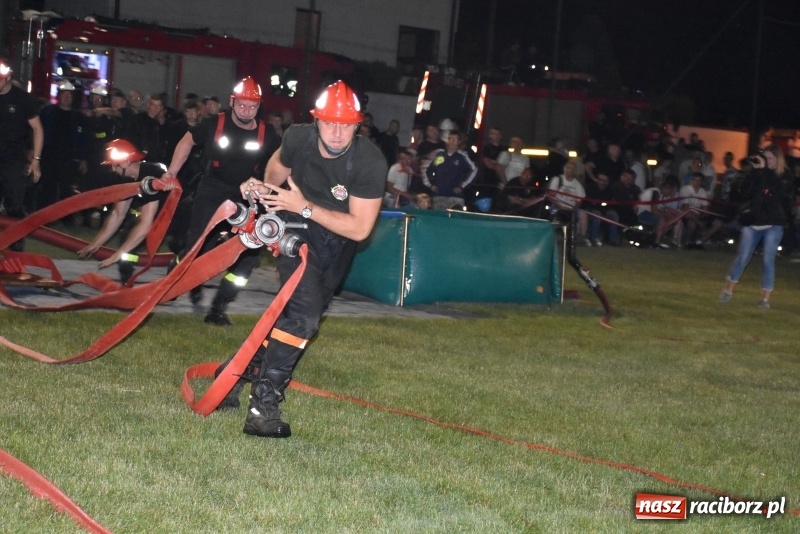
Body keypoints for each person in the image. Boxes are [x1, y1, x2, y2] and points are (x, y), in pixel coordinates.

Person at [229, 80, 387, 438]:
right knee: (304, 316)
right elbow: (276, 166)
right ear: (316, 121)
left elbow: (360, 229)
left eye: (345, 124)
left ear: (357, 125)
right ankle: (262, 407)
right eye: (330, 122)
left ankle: (232, 377)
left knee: (292, 317)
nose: (336, 131)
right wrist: (268, 189)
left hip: (339, 239)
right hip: (295, 230)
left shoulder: (369, 161)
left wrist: (302, 204)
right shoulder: (299, 138)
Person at [165, 77, 280, 326]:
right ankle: (174, 279)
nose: (246, 111)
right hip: (213, 189)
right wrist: (171, 173)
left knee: (249, 253)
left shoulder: (266, 132)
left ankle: (218, 308)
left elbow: (282, 162)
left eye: (252, 106)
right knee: (198, 245)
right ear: (232, 102)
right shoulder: (214, 124)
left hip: (249, 196)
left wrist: (271, 191)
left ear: (259, 107)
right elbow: (186, 142)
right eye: (241, 105)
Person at [76, 139, 174, 283]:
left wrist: (116, 255)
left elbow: (146, 224)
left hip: (178, 218)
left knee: (181, 247)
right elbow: (117, 214)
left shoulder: (150, 175)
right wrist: (95, 244)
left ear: (127, 162)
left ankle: (176, 280)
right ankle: (126, 283)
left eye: (115, 166)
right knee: (127, 239)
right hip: (157, 219)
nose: (114, 170)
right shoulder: (125, 179)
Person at [720, 145, 793, 308]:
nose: (768, 162)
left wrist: (764, 172)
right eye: (765, 158)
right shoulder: (757, 173)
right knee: (743, 257)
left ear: (778, 159)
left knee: (768, 260)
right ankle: (728, 291)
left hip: (774, 223)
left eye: (771, 159)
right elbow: (745, 192)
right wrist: (755, 172)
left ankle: (765, 299)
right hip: (753, 222)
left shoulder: (783, 175)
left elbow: (777, 194)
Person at [0, 57, 44, 251]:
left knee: (15, 207)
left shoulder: (21, 99)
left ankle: (16, 251)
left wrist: (35, 160)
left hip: (13, 159)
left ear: (7, 78)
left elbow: (38, 129)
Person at [37, 80, 87, 212]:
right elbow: (36, 131)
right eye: (64, 94)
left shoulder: (78, 117)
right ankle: (44, 214)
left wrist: (82, 158)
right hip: (48, 155)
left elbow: (83, 139)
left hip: (68, 157)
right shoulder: (47, 112)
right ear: (59, 96)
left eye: (69, 95)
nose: (67, 97)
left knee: (66, 187)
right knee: (48, 185)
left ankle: (66, 216)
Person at [424, 129, 478, 209]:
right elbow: (427, 169)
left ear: (459, 142)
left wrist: (462, 186)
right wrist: (431, 184)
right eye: (450, 139)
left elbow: (474, 170)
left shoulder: (462, 156)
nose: (452, 142)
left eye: (455, 139)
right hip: (439, 195)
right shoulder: (439, 155)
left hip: (455, 197)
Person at [637, 175, 681, 249]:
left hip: (649, 213)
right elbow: (654, 210)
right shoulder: (655, 192)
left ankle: (657, 238)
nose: (670, 194)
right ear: (666, 188)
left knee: (673, 220)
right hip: (643, 213)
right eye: (670, 192)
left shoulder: (660, 194)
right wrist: (666, 215)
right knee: (662, 219)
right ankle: (656, 242)